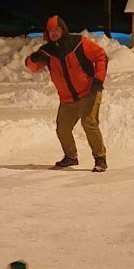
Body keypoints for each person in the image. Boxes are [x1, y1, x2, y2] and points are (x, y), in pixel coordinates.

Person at [24, 15, 109, 172]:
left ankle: (100, 159)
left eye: (57, 29)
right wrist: (34, 58)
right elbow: (32, 67)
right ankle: (71, 157)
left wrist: (98, 80)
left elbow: (101, 56)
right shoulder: (47, 52)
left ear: (63, 29)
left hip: (89, 92)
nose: (54, 33)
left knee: (88, 123)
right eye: (51, 31)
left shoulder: (78, 43)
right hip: (67, 98)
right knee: (62, 128)